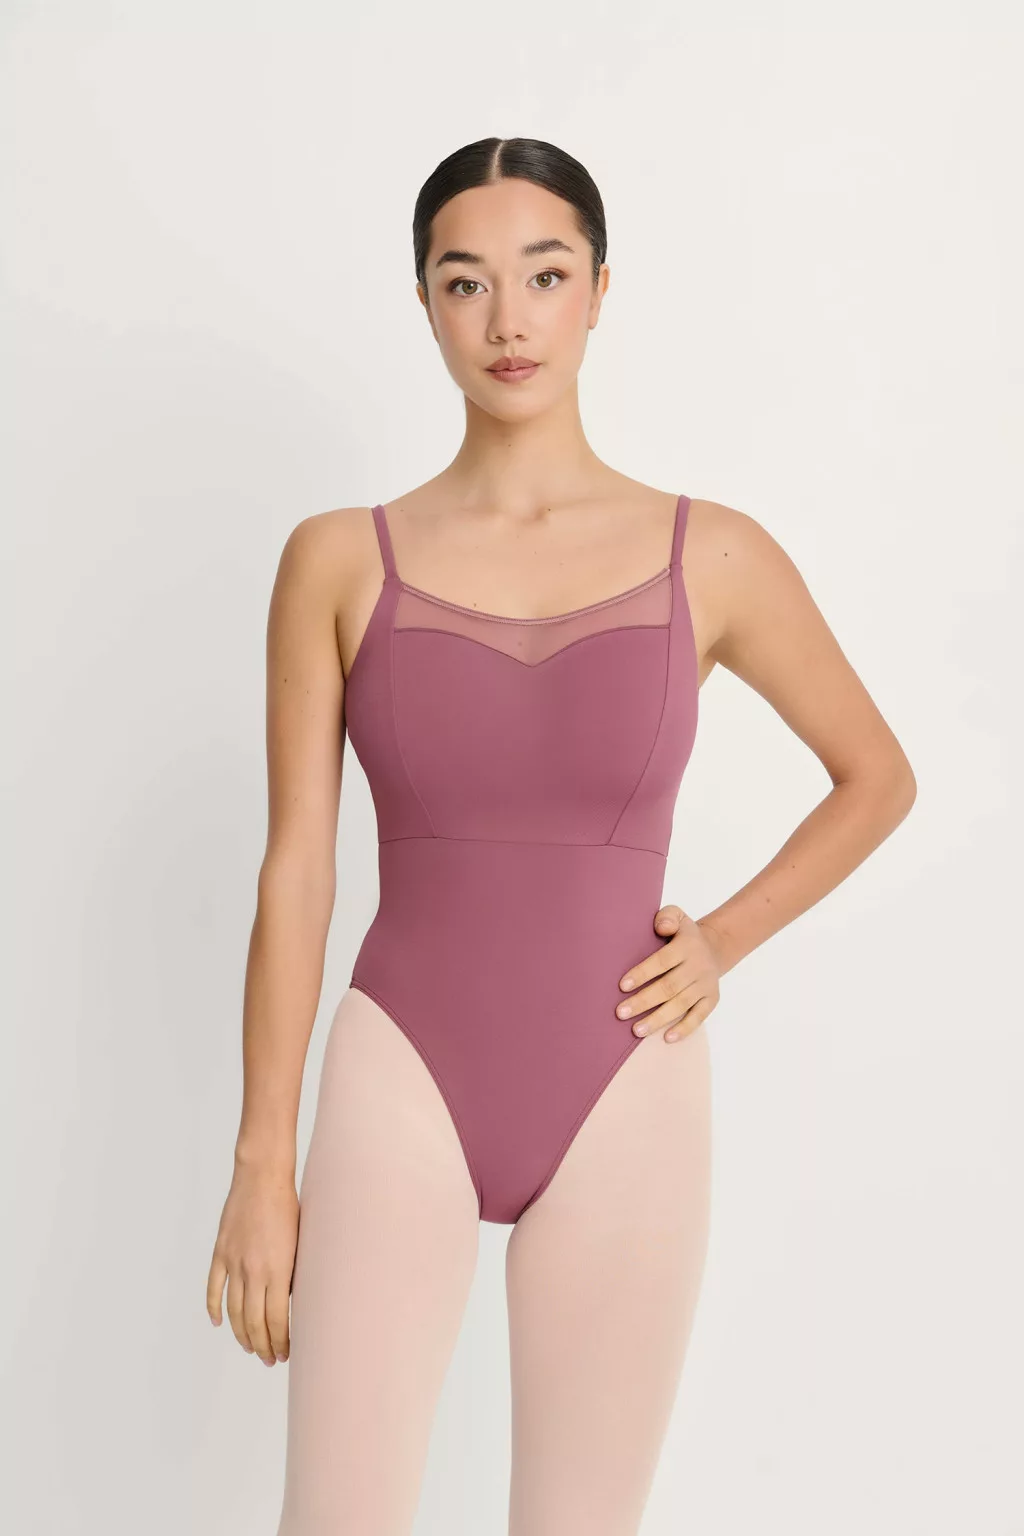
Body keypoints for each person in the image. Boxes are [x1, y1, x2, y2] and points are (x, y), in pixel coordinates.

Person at [206, 136, 917, 1533]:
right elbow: (297, 870)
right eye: (465, 282)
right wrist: (260, 1161)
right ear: (425, 304)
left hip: (627, 1077)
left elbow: (876, 777)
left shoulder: (712, 553)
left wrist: (724, 939)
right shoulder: (339, 560)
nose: (507, 320)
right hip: (400, 1069)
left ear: (599, 291)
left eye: (543, 275)